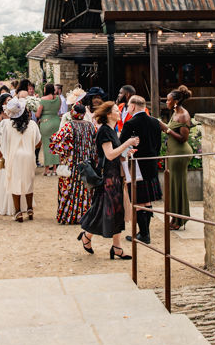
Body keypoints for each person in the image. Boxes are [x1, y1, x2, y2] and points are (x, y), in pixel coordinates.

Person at [77, 102, 139, 259]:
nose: (120, 113)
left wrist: (126, 151)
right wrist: (127, 143)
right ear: (109, 115)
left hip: (115, 176)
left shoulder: (112, 130)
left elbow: (114, 154)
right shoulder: (105, 131)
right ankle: (88, 236)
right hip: (107, 178)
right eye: (117, 111)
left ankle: (115, 247)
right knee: (104, 209)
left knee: (115, 210)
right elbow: (109, 154)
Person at [121, 95, 163, 244]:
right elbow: (158, 144)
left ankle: (144, 234)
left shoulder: (130, 123)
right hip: (151, 164)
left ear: (132, 107)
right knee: (147, 201)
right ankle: (145, 232)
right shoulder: (155, 122)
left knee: (138, 201)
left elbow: (122, 146)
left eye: (128, 106)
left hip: (136, 165)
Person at [49, 103, 94, 224]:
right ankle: (85, 216)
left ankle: (68, 216)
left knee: (69, 190)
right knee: (85, 191)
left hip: (71, 165)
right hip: (87, 166)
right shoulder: (91, 126)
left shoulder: (68, 126)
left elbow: (55, 143)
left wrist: (65, 151)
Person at [0, 97, 41, 222]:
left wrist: (3, 157)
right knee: (28, 181)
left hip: (14, 155)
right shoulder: (32, 124)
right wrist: (29, 145)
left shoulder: (8, 125)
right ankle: (29, 209)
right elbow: (38, 143)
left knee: (15, 181)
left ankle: (18, 212)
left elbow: (3, 143)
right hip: (28, 154)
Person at [159, 85, 192, 230]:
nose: (167, 102)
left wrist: (167, 130)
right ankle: (175, 217)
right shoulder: (175, 112)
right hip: (173, 153)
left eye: (169, 100)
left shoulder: (183, 115)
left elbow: (183, 138)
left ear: (176, 101)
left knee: (178, 186)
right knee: (172, 185)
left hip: (180, 154)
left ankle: (180, 219)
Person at [36, 83, 63, 176]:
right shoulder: (58, 98)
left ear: (46, 89)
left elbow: (38, 114)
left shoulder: (43, 100)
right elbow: (58, 109)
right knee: (55, 144)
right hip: (56, 122)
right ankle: (55, 169)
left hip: (45, 122)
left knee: (47, 145)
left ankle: (47, 169)